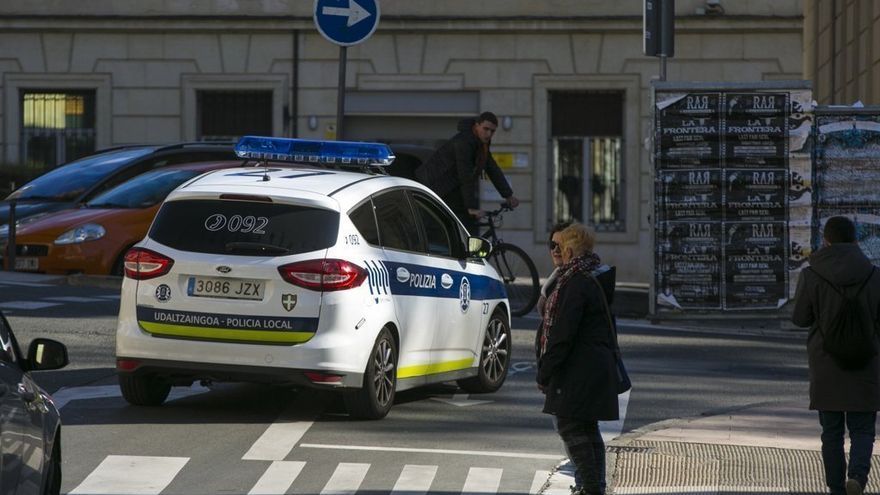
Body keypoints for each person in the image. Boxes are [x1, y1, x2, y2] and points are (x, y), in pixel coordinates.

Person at [792, 216, 880, 495]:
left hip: (826, 360)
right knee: (863, 428)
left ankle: (835, 488)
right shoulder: (874, 275)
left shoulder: (811, 274)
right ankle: (857, 476)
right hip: (866, 358)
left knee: (831, 431)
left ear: (826, 240)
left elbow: (800, 318)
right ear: (855, 240)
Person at [536, 222, 619, 495]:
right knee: (586, 429)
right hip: (591, 366)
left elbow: (563, 334)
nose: (557, 252)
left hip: (579, 369)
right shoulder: (588, 275)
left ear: (570, 251)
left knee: (572, 428)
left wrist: (546, 371)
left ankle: (592, 487)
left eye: (560, 247)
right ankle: (593, 486)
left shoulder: (576, 282)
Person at [415, 111, 520, 233]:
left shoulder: (481, 145)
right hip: (436, 186)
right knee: (451, 225)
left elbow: (492, 168)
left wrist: (508, 195)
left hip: (451, 187)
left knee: (463, 227)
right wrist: (470, 207)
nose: (488, 134)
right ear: (476, 125)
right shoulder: (464, 142)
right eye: (486, 129)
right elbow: (465, 175)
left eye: (492, 131)